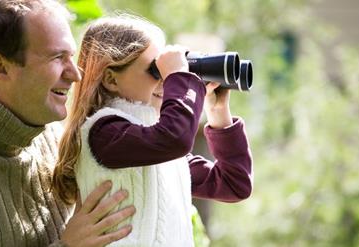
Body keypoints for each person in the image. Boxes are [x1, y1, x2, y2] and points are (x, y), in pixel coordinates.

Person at [0, 0, 136, 246]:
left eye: (71, 56)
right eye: (58, 57)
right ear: (1, 67)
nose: (75, 74)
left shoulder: (49, 133)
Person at [52, 15, 253, 246]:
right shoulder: (104, 133)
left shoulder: (158, 149)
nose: (165, 82)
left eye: (166, 72)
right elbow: (173, 139)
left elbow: (234, 184)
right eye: (155, 70)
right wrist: (180, 77)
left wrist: (218, 113)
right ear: (110, 79)